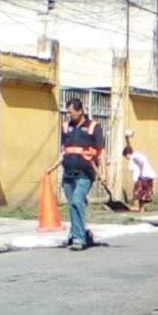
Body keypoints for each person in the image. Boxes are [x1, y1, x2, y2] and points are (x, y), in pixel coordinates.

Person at [47, 99, 105, 251]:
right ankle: (78, 234)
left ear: (80, 111)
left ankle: (79, 239)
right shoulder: (66, 127)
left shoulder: (93, 127)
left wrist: (103, 173)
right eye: (68, 112)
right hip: (68, 174)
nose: (69, 115)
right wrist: (51, 168)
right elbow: (64, 152)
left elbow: (101, 153)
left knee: (77, 202)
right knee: (73, 205)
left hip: (85, 174)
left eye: (71, 112)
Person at [122, 146, 157, 212]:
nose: (126, 158)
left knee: (137, 192)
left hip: (142, 177)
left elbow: (140, 162)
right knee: (143, 194)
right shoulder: (137, 156)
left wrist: (139, 164)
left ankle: (136, 206)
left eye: (126, 157)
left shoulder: (135, 157)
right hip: (147, 177)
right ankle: (142, 208)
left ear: (127, 154)